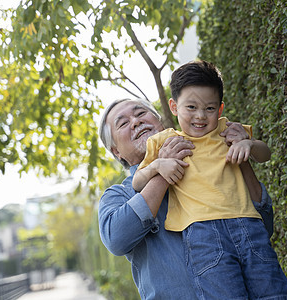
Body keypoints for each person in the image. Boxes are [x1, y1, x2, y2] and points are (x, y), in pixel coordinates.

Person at [131, 60, 287, 299]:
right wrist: (158, 166)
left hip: (248, 225)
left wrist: (247, 143)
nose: (200, 116)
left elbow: (265, 154)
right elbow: (137, 183)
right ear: (174, 107)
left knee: (274, 293)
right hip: (203, 235)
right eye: (191, 107)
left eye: (209, 108)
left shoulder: (228, 130)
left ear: (220, 109)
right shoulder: (163, 142)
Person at [98, 97, 275, 299]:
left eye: (141, 114)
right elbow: (117, 239)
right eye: (123, 123)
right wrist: (162, 168)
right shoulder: (118, 195)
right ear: (116, 151)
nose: (136, 122)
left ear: (161, 123)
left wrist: (240, 153)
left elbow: (264, 226)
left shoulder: (210, 161)